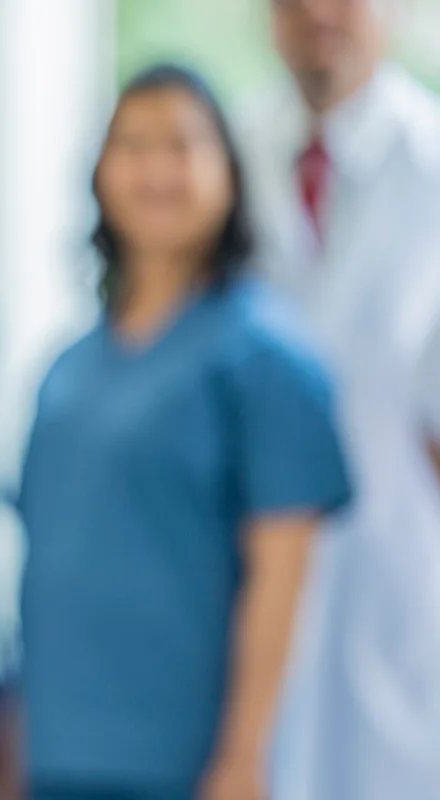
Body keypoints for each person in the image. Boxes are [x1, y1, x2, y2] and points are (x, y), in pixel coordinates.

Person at [16, 65, 352, 800]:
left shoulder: (268, 357)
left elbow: (283, 576)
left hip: (186, 765)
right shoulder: (67, 367)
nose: (156, 168)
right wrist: (11, 742)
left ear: (229, 172)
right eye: (133, 144)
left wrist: (243, 755)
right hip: (57, 755)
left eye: (181, 144)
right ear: (99, 174)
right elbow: (42, 570)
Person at [241, 2, 440, 797]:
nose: (318, 12)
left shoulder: (429, 161)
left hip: (401, 578)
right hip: (251, 584)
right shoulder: (228, 153)